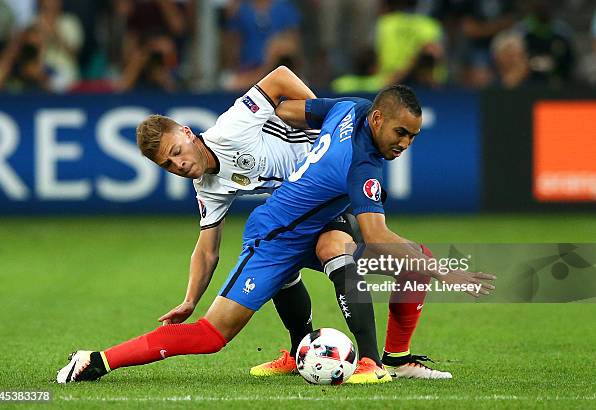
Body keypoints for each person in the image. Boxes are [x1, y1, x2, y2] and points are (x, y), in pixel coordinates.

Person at [56, 74, 494, 384]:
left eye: (412, 136)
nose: (405, 143)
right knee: (212, 336)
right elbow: (207, 248)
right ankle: (98, 359)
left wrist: (315, 142)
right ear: (377, 120)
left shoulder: (328, 114)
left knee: (352, 250)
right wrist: (190, 298)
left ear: (188, 135)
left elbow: (287, 97)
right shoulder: (361, 157)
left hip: (313, 214)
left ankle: (379, 361)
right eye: (167, 164)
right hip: (275, 231)